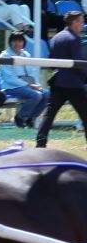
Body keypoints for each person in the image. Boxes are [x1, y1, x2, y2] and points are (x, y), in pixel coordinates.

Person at [36, 9, 87, 149]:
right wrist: (85, 77)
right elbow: (78, 64)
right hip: (74, 84)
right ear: (74, 22)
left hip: (58, 82)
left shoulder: (56, 37)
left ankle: (40, 143)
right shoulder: (74, 38)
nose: (82, 24)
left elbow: (51, 63)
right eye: (81, 21)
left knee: (49, 115)